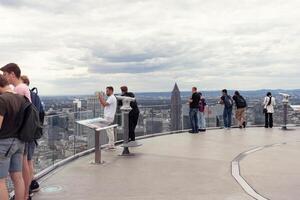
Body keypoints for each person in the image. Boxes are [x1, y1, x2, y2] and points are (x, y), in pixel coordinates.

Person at [1, 63, 33, 200]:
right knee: (18, 177)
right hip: (19, 142)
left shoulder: (2, 100)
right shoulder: (21, 98)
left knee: (0, 181)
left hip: (4, 143)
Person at [21, 75, 44, 194]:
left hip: (25, 133)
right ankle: (32, 182)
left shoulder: (23, 95)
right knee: (29, 160)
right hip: (33, 133)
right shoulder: (36, 96)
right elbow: (41, 114)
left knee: (26, 161)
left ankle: (28, 186)